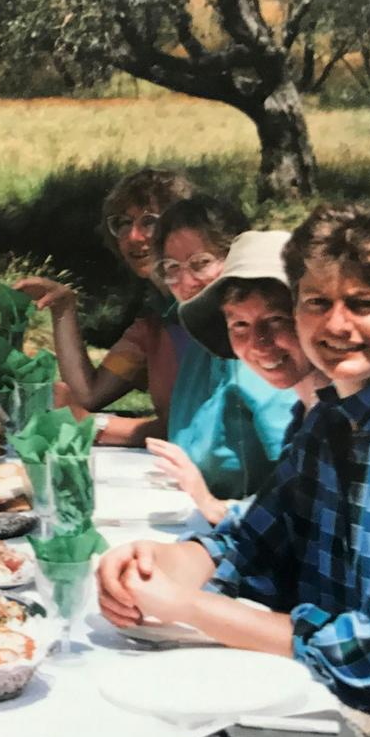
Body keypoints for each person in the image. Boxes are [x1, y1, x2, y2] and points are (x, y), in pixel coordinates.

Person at [99, 205, 370, 737]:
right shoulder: (328, 424)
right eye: (317, 303)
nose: (337, 324)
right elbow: (249, 540)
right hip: (342, 730)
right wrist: (152, 560)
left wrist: (183, 603)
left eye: (364, 303)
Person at [148, 230, 329, 523]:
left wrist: (210, 504)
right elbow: (284, 513)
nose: (259, 343)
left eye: (276, 320)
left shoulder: (344, 418)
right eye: (240, 324)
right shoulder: (305, 411)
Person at [15, 169, 193, 444]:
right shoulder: (153, 325)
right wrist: (63, 308)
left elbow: (192, 428)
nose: (133, 236)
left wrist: (91, 426)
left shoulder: (208, 315)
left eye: (149, 222)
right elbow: (89, 394)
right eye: (122, 223)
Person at [145, 196, 296, 506]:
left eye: (200, 263)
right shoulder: (204, 340)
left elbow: (302, 489)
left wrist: (218, 509)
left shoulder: (264, 355)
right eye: (171, 268)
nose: (186, 281)